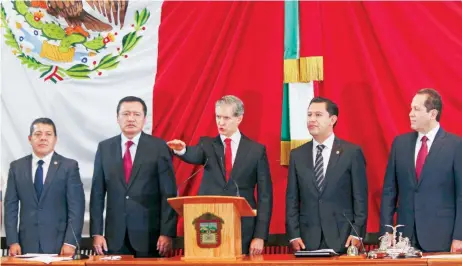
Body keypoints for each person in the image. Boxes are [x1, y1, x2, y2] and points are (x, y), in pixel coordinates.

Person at [167, 95, 273, 255]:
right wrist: (181, 150)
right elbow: (193, 154)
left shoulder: (256, 151)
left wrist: (260, 236)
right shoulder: (207, 145)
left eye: (226, 118)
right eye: (218, 117)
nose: (220, 122)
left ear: (239, 119)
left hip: (243, 228)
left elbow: (265, 196)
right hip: (209, 226)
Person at [90, 96, 177, 258]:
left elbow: (169, 194)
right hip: (113, 238)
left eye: (136, 114)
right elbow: (97, 194)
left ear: (144, 119)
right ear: (117, 118)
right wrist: (96, 233)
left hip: (150, 237)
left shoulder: (159, 147)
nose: (131, 118)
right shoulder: (105, 148)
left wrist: (167, 232)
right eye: (126, 114)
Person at [380, 88, 462, 252]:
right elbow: (389, 191)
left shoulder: (455, 145)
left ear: (433, 114)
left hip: (441, 237)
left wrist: (459, 237)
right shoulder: (400, 144)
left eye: (416, 109)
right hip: (404, 238)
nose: (411, 113)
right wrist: (387, 229)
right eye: (411, 108)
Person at [285, 97, 368, 254]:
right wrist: (293, 235)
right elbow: (292, 199)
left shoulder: (351, 153)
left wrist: (357, 232)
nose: (312, 119)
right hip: (306, 240)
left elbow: (360, 198)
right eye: (309, 115)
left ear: (332, 119)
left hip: (343, 237)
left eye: (318, 115)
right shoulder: (297, 155)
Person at [4, 118, 85, 256]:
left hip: (60, 245)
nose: (43, 138)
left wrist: (70, 242)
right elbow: (10, 207)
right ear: (30, 139)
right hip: (25, 244)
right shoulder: (16, 167)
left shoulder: (69, 166)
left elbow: (76, 207)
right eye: (38, 134)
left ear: (55, 139)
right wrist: (12, 241)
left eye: (48, 134)